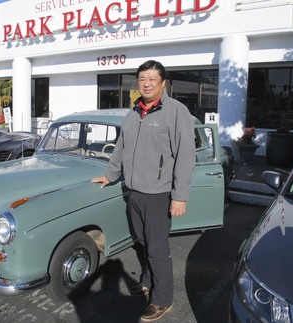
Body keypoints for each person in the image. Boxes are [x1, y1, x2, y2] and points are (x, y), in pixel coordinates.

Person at [91, 60, 195, 322]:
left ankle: (163, 300)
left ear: (163, 82)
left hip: (159, 194)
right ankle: (148, 282)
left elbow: (185, 156)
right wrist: (110, 175)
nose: (146, 83)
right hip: (135, 191)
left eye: (152, 79)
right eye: (142, 79)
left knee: (157, 248)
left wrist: (179, 196)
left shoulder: (176, 111)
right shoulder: (133, 112)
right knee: (141, 242)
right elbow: (121, 148)